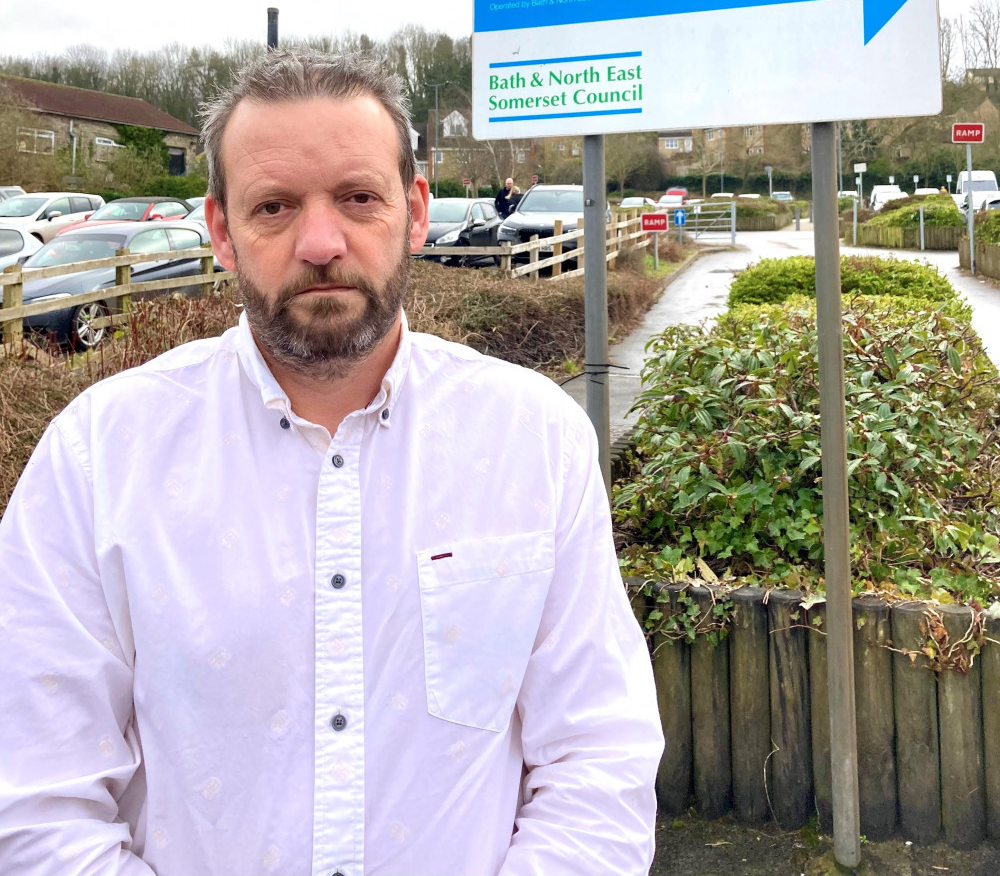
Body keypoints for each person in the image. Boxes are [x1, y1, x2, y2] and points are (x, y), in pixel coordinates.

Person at [0, 50, 663, 876]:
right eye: (274, 206)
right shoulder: (97, 459)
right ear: (222, 231)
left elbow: (598, 760)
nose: (321, 243)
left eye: (358, 198)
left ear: (415, 212)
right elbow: (37, 798)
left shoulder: (534, 443)